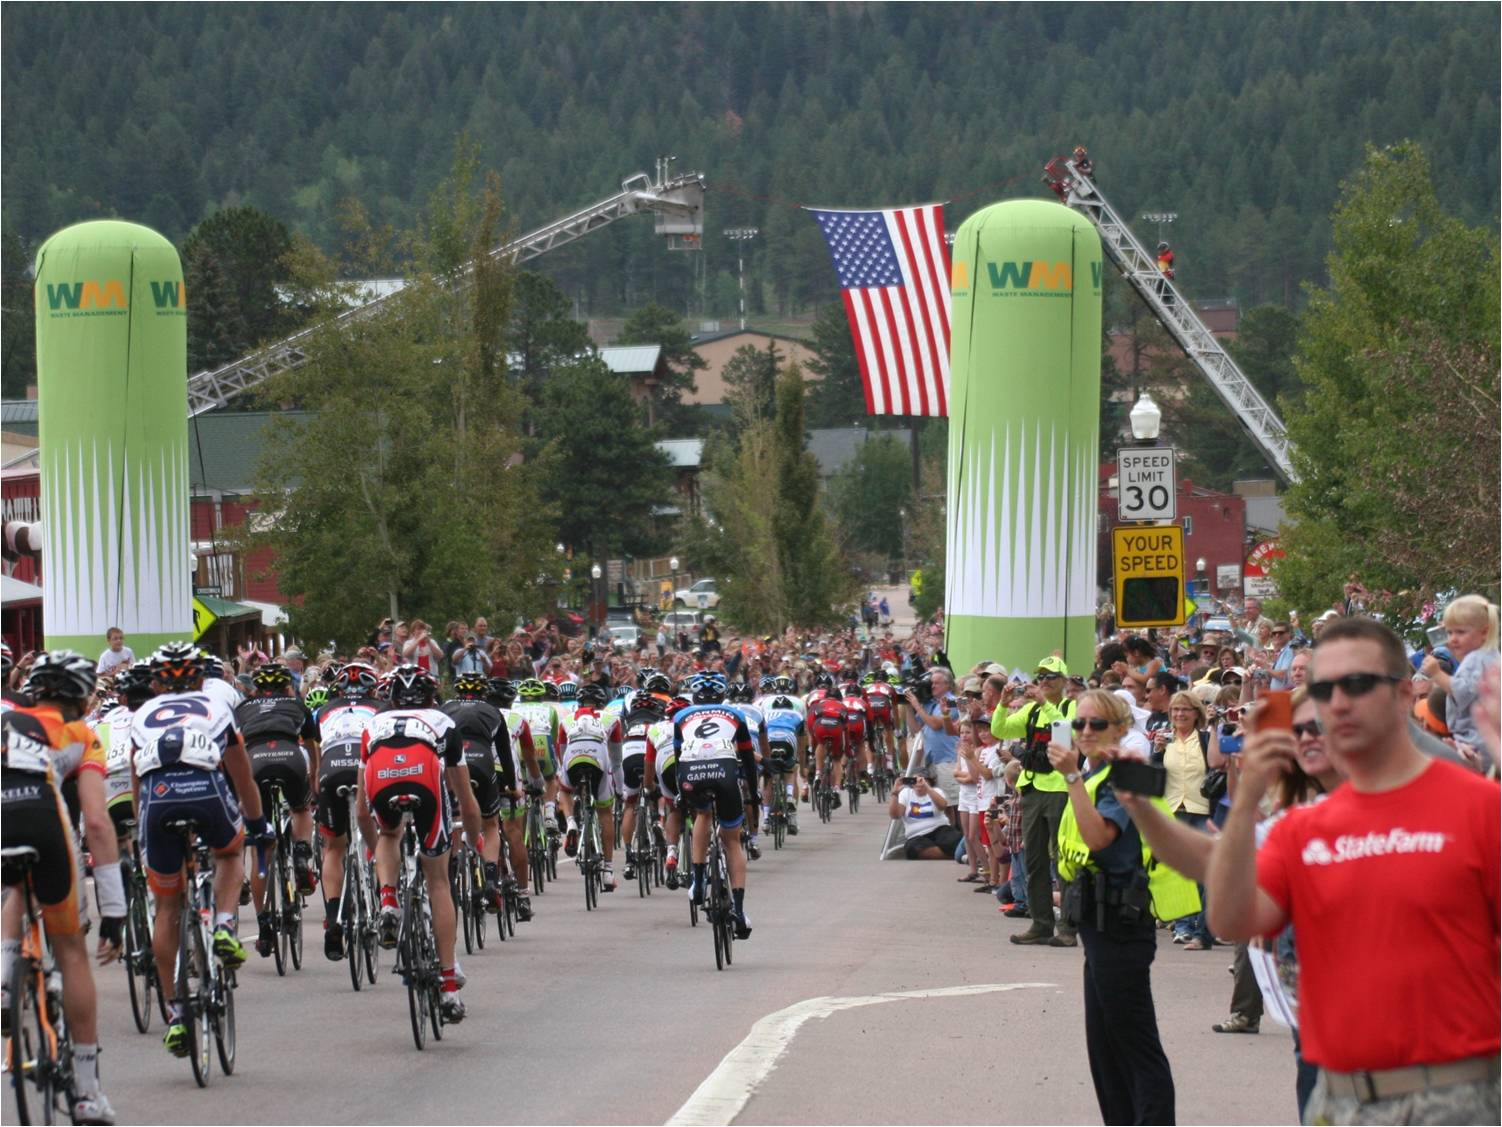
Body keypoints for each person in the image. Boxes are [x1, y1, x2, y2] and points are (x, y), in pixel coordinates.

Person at [1207, 617, 1500, 1126]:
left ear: (1405, 692)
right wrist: (1248, 791)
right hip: (1338, 1101)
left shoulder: (1478, 807)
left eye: (1359, 684)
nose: (1338, 702)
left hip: (1455, 1097)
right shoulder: (1301, 828)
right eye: (1323, 688)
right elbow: (1232, 919)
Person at [1052, 689, 1198, 1126]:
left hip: (1120, 923)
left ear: (1120, 728)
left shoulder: (1122, 775)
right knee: (1104, 1046)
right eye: (1079, 723)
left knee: (1134, 1046)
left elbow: (1099, 839)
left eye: (1097, 724)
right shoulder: (1098, 773)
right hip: (1096, 922)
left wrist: (1072, 779)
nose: (1085, 732)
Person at [3, 651, 125, 1124]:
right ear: (84, 696)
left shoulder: (5, 718)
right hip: (42, 820)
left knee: (14, 885)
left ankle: (3, 979)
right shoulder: (80, 734)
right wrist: (113, 913)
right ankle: (88, 1093)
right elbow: (96, 821)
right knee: (71, 949)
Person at [129, 642, 268, 1058]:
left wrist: (143, 831)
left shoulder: (141, 715)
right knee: (229, 852)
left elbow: (137, 780)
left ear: (155, 682)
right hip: (204, 790)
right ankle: (224, 924)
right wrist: (258, 824)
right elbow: (241, 775)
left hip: (157, 798)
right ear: (200, 677)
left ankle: (174, 1013)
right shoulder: (215, 708)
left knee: (167, 907)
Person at [362, 664, 483, 1023]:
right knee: (439, 882)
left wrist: (376, 853)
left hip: (382, 776)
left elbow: (359, 809)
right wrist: (473, 842)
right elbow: (465, 797)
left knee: (388, 834)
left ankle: (388, 900)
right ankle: (448, 986)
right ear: (433, 696)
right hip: (426, 783)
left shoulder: (373, 725)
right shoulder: (443, 722)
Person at [236, 661, 321, 958]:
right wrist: (313, 777)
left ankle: (263, 926)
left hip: (254, 761)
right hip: (290, 757)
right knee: (300, 808)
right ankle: (300, 852)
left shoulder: (244, 707)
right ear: (288, 686)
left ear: (256, 689)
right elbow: (311, 744)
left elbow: (232, 747)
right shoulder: (296, 704)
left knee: (261, 850)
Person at [991, 656, 1078, 946]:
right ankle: (1041, 923)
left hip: (1059, 789)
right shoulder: (1030, 710)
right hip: (1032, 788)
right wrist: (1002, 704)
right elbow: (1000, 731)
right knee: (1035, 860)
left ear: (1064, 681)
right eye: (1040, 676)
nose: (1044, 681)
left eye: (1051, 676)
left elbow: (1065, 732)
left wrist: (1044, 703)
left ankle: (1067, 928)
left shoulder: (1068, 706)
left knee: (1063, 861)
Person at [1156, 690, 1213, 948]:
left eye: (1185, 710)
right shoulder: (1163, 740)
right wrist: (1156, 752)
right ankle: (1182, 926)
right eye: (1175, 710)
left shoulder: (1206, 739)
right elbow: (1155, 774)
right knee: (1178, 872)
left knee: (1203, 872)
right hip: (1173, 809)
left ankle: (1202, 928)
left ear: (1196, 714)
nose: (1180, 714)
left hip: (1201, 809)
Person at [1423, 594, 1499, 768]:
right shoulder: (1489, 655)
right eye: (1449, 632)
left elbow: (1462, 691)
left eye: (1460, 632)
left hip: (1476, 741)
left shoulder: (1476, 659)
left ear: (1484, 632)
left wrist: (1437, 673)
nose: (1452, 639)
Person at [888, 767, 962, 859]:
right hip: (916, 834)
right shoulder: (905, 793)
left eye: (923, 780)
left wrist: (928, 789)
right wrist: (895, 794)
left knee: (954, 839)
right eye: (915, 780)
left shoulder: (936, 791)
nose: (919, 783)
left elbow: (942, 806)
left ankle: (954, 853)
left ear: (930, 781)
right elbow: (895, 815)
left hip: (940, 829)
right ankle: (954, 855)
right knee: (914, 848)